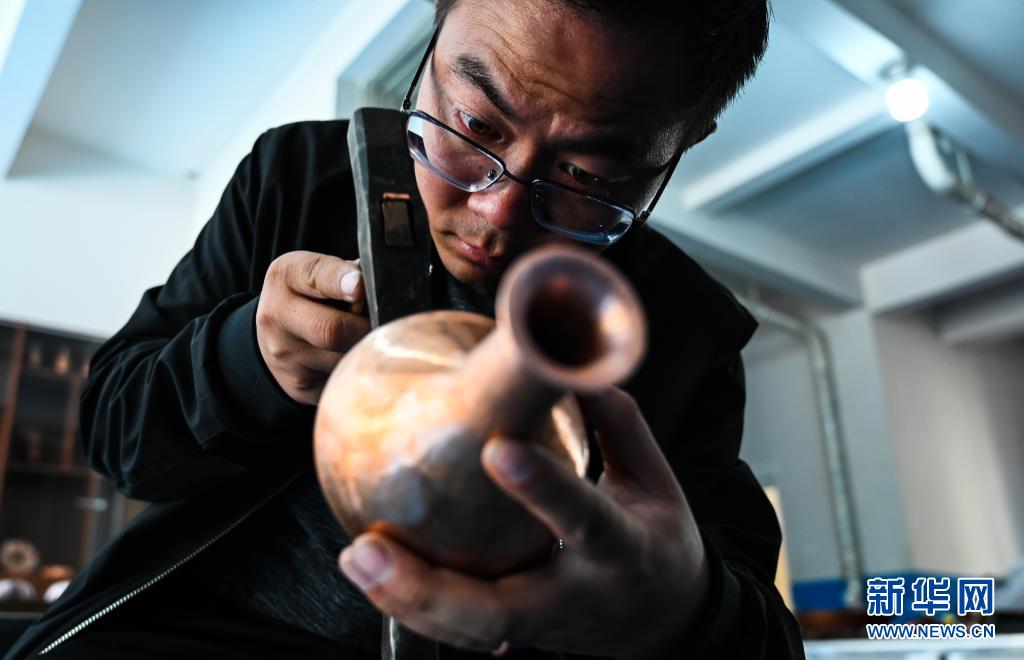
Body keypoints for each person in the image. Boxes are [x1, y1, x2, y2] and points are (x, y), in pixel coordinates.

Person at [6, 1, 805, 658]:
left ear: (684, 141)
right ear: (434, 28)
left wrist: (682, 610)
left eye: (585, 177)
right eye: (475, 124)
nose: (495, 214)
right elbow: (112, 435)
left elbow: (767, 642)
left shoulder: (687, 331)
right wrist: (245, 359)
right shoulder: (293, 181)